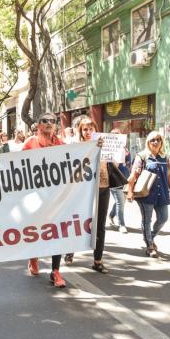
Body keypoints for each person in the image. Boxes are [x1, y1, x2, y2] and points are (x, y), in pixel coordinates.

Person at [22, 113, 66, 287]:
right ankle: (33, 256)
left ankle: (55, 271)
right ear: (38, 125)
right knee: (36, 231)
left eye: (52, 121)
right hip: (35, 197)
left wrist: (96, 147)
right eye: (44, 120)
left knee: (58, 232)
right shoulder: (29, 144)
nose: (49, 123)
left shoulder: (62, 144)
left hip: (56, 198)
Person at [126, 131, 170, 258]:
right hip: (146, 194)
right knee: (147, 220)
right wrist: (130, 191)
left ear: (161, 142)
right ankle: (149, 246)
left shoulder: (165, 158)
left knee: (163, 218)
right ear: (148, 142)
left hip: (162, 193)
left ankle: (150, 237)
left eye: (158, 139)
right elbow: (133, 175)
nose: (156, 142)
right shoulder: (142, 156)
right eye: (153, 140)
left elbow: (169, 176)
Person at [75, 115, 110, 274]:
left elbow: (114, 162)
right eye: (85, 129)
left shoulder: (105, 144)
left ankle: (98, 260)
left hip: (103, 187)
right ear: (81, 131)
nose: (88, 131)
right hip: (84, 190)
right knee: (79, 223)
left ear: (96, 129)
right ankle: (70, 250)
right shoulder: (77, 146)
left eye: (91, 128)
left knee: (100, 226)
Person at [108, 128, 131, 234]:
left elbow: (128, 164)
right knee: (120, 202)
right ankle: (121, 224)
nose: (116, 136)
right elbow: (114, 166)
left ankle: (111, 215)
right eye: (113, 135)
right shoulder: (109, 149)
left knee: (121, 202)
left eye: (118, 134)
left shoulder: (125, 148)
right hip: (115, 179)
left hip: (125, 179)